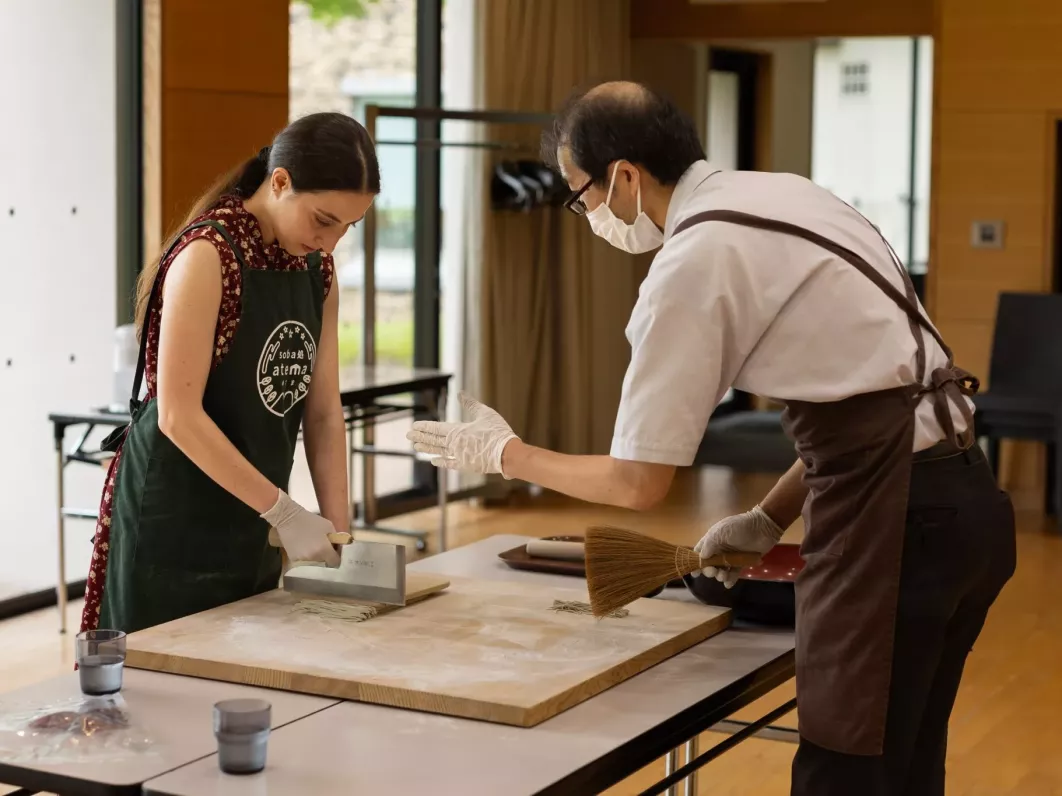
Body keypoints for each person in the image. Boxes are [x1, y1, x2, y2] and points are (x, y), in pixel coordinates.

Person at [406, 82, 1016, 795]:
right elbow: (873, 406)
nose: (589, 217)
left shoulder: (693, 263)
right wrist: (768, 517)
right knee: (906, 767)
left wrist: (502, 453)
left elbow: (639, 483)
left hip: (899, 533)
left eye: (582, 198)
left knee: (847, 772)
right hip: (966, 507)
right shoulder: (788, 195)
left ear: (626, 176)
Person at [80, 112, 380, 636]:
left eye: (346, 229)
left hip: (255, 516)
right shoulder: (209, 253)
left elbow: (325, 412)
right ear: (280, 182)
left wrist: (339, 538)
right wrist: (285, 513)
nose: (330, 243)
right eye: (323, 220)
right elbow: (178, 416)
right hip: (174, 518)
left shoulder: (315, 270)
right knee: (165, 699)